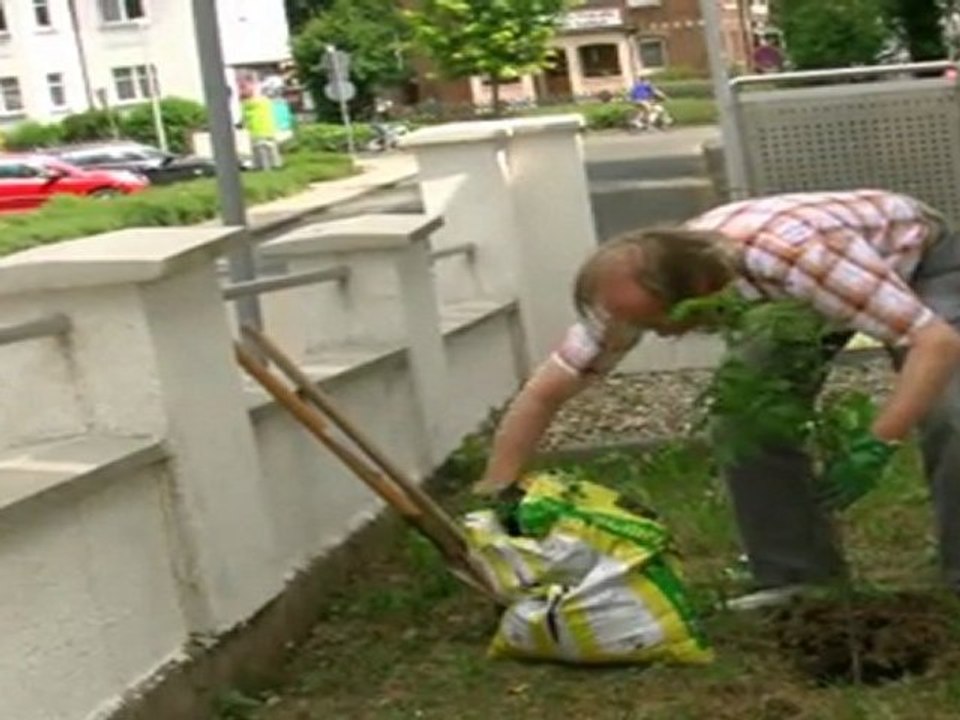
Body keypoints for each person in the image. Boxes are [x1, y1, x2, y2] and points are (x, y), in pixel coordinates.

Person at [474, 190, 960, 608]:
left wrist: (878, 442)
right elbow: (543, 394)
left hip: (914, 255)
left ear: (702, 290)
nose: (652, 336)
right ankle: (799, 579)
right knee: (744, 419)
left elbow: (935, 342)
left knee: (951, 412)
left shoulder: (801, 258)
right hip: (787, 295)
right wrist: (496, 501)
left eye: (656, 322)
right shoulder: (634, 293)